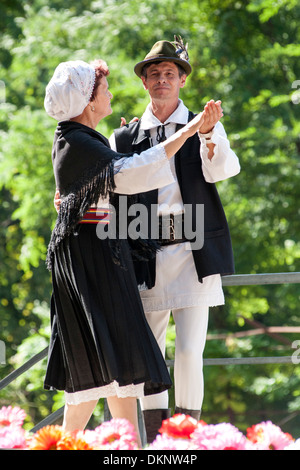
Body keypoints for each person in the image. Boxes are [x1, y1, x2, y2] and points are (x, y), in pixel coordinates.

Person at [44, 58, 210, 446]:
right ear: (88, 101)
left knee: (117, 358)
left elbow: (112, 183)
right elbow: (133, 172)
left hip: (98, 252)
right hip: (91, 259)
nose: (111, 94)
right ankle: (98, 443)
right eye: (104, 90)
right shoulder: (77, 140)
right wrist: (187, 131)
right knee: (105, 353)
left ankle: (130, 446)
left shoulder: (82, 139)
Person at [110, 38, 241, 442]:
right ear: (145, 83)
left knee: (187, 353)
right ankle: (156, 445)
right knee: (151, 358)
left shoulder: (204, 125)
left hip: (193, 254)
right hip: (145, 257)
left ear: (182, 80)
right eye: (154, 74)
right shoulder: (125, 138)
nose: (162, 79)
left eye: (170, 73)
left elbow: (224, 170)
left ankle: (185, 441)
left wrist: (207, 135)